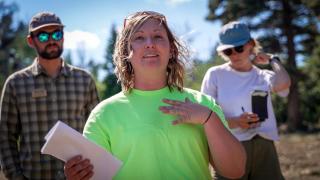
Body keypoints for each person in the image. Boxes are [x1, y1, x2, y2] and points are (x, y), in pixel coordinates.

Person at [63, 11, 246, 180]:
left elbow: (235, 171)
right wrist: (78, 175)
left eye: (158, 36)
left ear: (172, 50)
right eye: (139, 37)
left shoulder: (203, 103)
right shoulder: (103, 114)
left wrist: (209, 119)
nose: (150, 43)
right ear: (126, 52)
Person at [0, 12, 100, 179]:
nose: (52, 40)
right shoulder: (15, 84)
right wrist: (16, 177)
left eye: (57, 34)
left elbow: (98, 133)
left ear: (63, 37)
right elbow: (5, 137)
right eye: (43, 36)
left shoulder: (85, 80)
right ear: (31, 41)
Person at [201, 21, 291, 180]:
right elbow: (205, 115)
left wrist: (273, 60)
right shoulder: (215, 74)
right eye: (228, 51)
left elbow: (283, 83)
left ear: (251, 45)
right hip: (228, 146)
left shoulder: (262, 76)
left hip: (264, 148)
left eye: (239, 48)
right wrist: (236, 122)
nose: (234, 54)